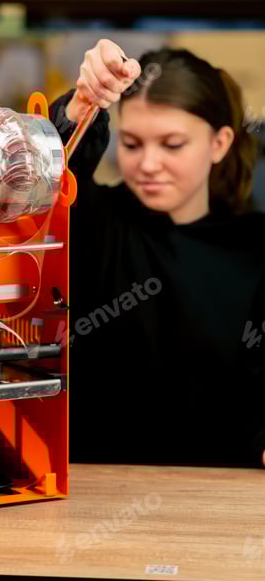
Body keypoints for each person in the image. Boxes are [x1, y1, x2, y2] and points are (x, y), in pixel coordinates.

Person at [49, 38, 265, 468]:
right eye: (132, 144)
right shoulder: (96, 222)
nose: (147, 164)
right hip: (89, 494)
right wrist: (83, 105)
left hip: (218, 503)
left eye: (172, 144)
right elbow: (48, 180)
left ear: (220, 144)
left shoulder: (255, 249)